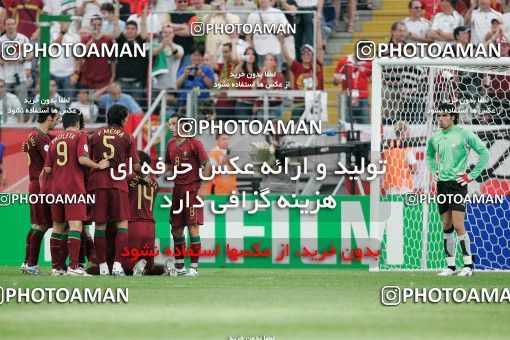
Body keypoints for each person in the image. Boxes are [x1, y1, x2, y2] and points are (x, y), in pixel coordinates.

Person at [426, 102, 489, 277]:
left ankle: (468, 266)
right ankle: (451, 266)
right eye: (439, 115)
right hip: (442, 185)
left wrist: (471, 175)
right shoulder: (435, 137)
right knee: (446, 225)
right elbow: (429, 154)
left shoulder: (464, 134)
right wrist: (434, 171)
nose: (441, 118)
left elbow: (485, 153)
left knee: (458, 224)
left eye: (444, 115)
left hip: (457, 185)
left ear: (453, 117)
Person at [44, 110, 109, 276]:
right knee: (76, 226)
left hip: (56, 189)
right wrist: (98, 165)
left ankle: (56, 268)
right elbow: (82, 159)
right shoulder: (80, 136)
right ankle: (73, 267)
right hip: (74, 188)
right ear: (78, 124)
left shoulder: (54, 140)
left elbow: (48, 168)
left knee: (58, 228)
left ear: (64, 125)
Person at [88, 104, 141, 276]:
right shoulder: (127, 136)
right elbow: (135, 165)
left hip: (98, 183)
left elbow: (88, 159)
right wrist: (145, 175)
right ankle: (117, 265)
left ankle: (103, 266)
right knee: (122, 223)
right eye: (126, 117)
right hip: (118, 183)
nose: (127, 119)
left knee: (100, 225)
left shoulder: (95, 135)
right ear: (120, 117)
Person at [164, 113, 212, 277]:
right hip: (177, 190)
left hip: (192, 190)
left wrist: (203, 187)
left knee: (193, 227)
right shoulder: (170, 144)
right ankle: (179, 267)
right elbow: (168, 166)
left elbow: (207, 165)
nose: (170, 127)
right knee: (176, 229)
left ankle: (194, 268)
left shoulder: (194, 143)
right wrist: (151, 174)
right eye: (169, 124)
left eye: (173, 124)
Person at [21, 105, 60, 275]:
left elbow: (55, 139)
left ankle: (26, 262)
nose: (58, 122)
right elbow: (50, 162)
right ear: (49, 117)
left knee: (37, 224)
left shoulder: (33, 134)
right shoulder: (41, 138)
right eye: (57, 118)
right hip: (41, 185)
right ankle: (31, 264)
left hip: (35, 184)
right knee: (43, 224)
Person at [127, 151, 177, 276]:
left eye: (135, 161)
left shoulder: (128, 179)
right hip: (150, 227)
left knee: (124, 267)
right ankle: (166, 267)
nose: (132, 163)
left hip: (134, 224)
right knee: (149, 267)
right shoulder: (155, 184)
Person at [0, 18, 33, 113]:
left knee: (22, 104)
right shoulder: (1, 40)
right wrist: (6, 60)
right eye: (8, 24)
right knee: (4, 103)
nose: (10, 26)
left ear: (16, 25)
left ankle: (23, 126)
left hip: (20, 75)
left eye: (12, 24)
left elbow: (30, 55)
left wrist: (23, 60)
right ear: (4, 26)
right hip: (4, 76)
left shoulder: (23, 38)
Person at [333, 50, 372, 124]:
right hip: (347, 97)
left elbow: (372, 79)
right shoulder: (344, 61)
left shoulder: (369, 62)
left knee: (364, 125)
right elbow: (335, 82)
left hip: (363, 98)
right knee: (346, 124)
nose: (365, 56)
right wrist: (337, 80)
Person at [175, 44, 215, 117]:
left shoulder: (207, 70)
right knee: (184, 126)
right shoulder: (184, 69)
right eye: (194, 55)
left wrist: (202, 75)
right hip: (185, 102)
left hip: (203, 104)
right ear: (190, 56)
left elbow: (211, 86)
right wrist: (185, 74)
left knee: (201, 126)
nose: (196, 57)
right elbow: (177, 85)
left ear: (202, 56)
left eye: (198, 55)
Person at [382, 120, 418, 195]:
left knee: (392, 206)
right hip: (404, 185)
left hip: (389, 185)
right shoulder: (406, 147)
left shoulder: (387, 146)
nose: (409, 133)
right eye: (408, 131)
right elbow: (414, 169)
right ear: (404, 132)